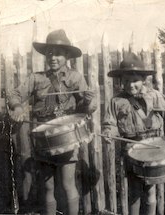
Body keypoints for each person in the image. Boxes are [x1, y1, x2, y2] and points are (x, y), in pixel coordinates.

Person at [7, 29, 97, 215]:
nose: (53, 57)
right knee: (48, 187)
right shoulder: (36, 78)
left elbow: (87, 107)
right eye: (49, 53)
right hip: (43, 139)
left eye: (58, 53)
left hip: (68, 137)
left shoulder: (76, 78)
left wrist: (88, 101)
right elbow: (14, 94)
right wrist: (16, 107)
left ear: (67, 56)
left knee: (67, 183)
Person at [102, 53, 165, 215]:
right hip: (131, 149)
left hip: (154, 148)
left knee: (150, 190)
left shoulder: (155, 96)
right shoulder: (116, 101)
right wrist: (109, 132)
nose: (130, 85)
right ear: (121, 80)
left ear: (144, 79)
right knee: (134, 191)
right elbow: (111, 123)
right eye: (126, 80)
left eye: (134, 81)